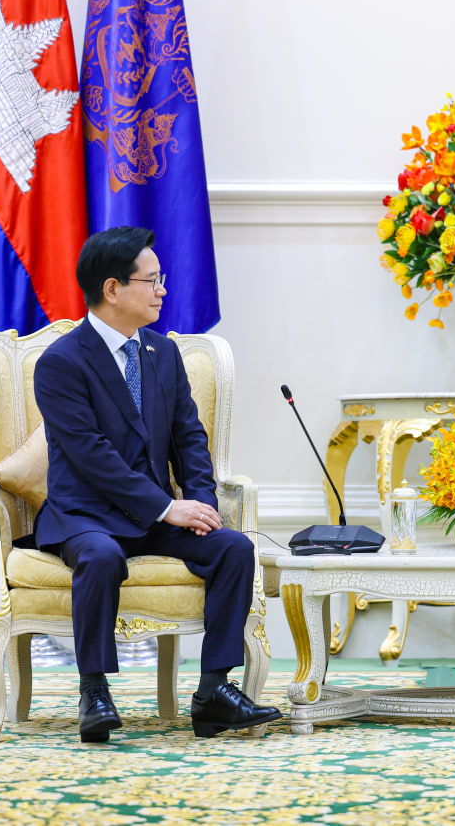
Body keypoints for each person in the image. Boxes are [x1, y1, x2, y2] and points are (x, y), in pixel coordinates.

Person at [32, 226, 282, 742]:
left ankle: (213, 692)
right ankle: (94, 691)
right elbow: (91, 456)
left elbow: (190, 439)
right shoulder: (61, 362)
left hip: (153, 517)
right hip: (86, 515)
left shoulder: (161, 353)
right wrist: (168, 508)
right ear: (112, 289)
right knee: (101, 556)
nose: (163, 290)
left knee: (234, 548)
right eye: (152, 280)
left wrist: (202, 507)